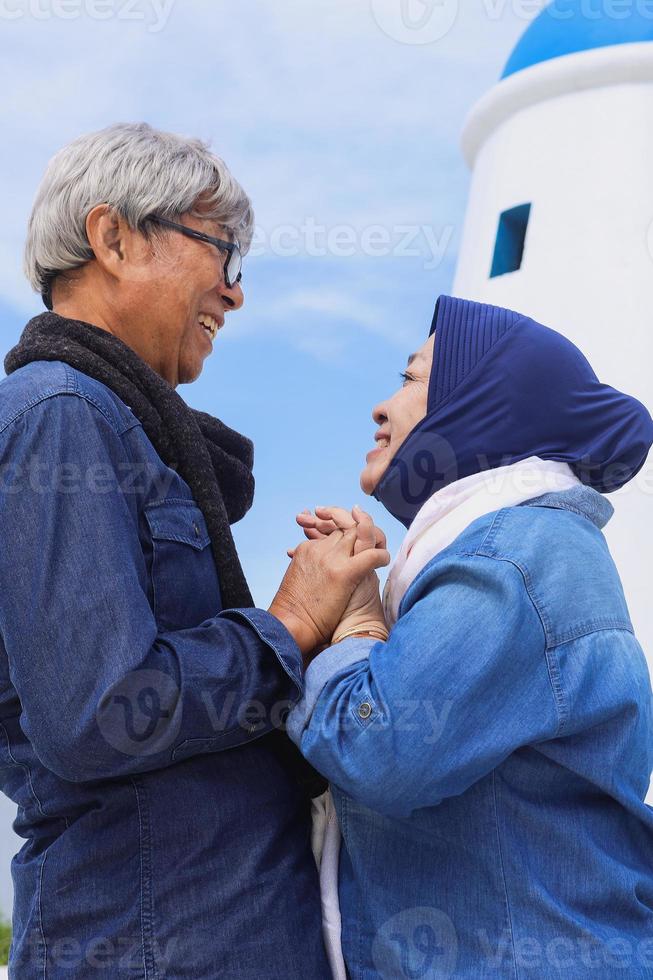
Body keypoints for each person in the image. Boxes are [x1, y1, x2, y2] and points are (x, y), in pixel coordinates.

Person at [0, 122, 389, 978]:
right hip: (153, 942)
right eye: (222, 251)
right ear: (112, 238)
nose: (234, 291)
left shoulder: (111, 427)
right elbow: (101, 712)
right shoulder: (61, 414)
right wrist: (288, 624)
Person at [289, 295, 653, 979]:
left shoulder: (510, 554)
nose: (379, 406)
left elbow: (381, 748)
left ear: (483, 399)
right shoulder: (520, 547)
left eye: (409, 378)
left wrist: (355, 623)